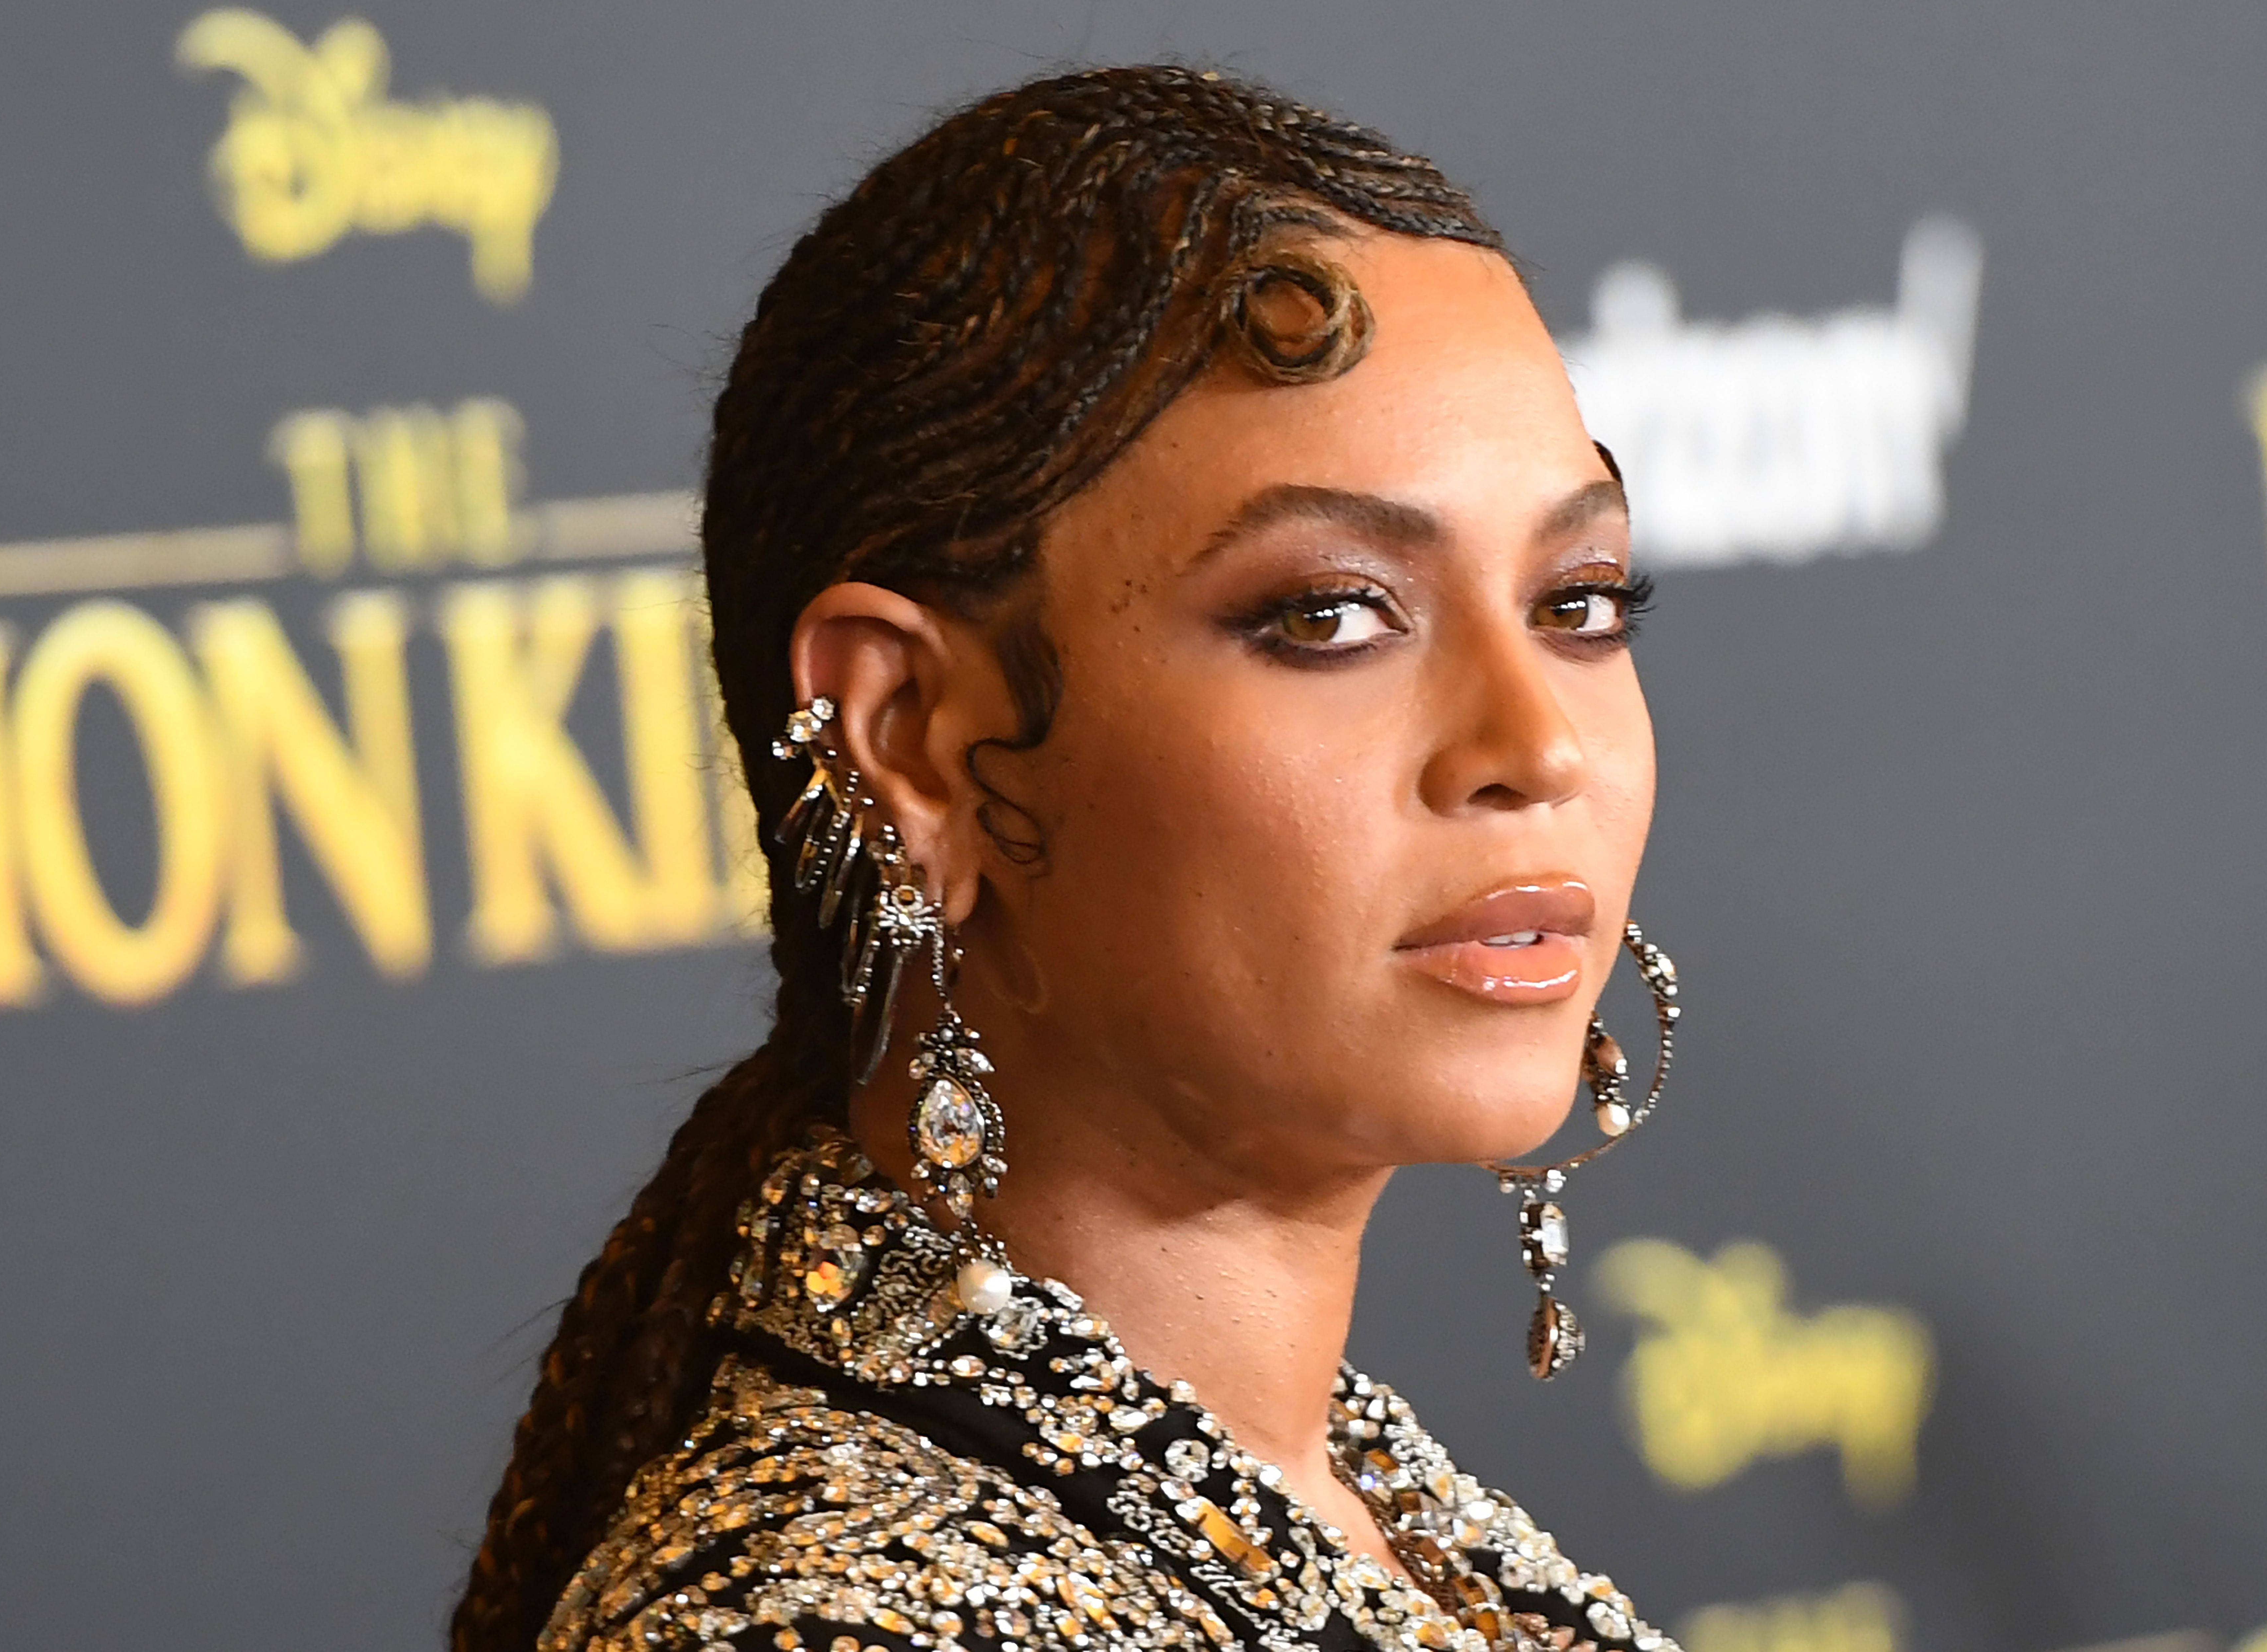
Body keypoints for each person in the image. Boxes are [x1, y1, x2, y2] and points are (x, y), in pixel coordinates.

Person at [454, 63, 1681, 1652]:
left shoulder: (1325, 1494)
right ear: (910, 737)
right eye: (1329, 613)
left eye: (1579, 600)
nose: (1540, 744)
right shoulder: (826, 1627)